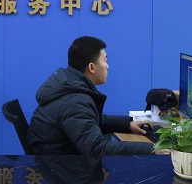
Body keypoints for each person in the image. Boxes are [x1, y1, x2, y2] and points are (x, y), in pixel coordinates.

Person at [27, 36, 169, 155]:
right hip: (60, 166)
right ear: (91, 67)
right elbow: (96, 148)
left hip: (55, 160)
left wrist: (128, 124)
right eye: (105, 60)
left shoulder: (69, 84)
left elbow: (90, 120)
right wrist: (151, 149)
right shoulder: (75, 101)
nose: (107, 66)